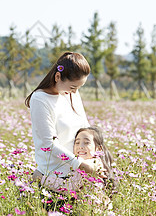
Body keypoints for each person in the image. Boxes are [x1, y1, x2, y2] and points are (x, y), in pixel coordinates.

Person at [25, 52, 103, 185]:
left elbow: (86, 128)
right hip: (56, 174)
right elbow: (49, 144)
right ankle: (38, 179)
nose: (75, 91)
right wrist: (80, 164)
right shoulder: (40, 99)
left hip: (79, 170)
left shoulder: (71, 94)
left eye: (79, 88)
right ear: (57, 76)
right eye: (73, 87)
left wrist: (97, 158)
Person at [38, 126, 116, 194]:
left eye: (86, 142)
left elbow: (69, 187)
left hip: (92, 208)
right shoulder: (97, 162)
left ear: (98, 149)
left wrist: (42, 179)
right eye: (77, 142)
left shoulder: (87, 165)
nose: (80, 146)